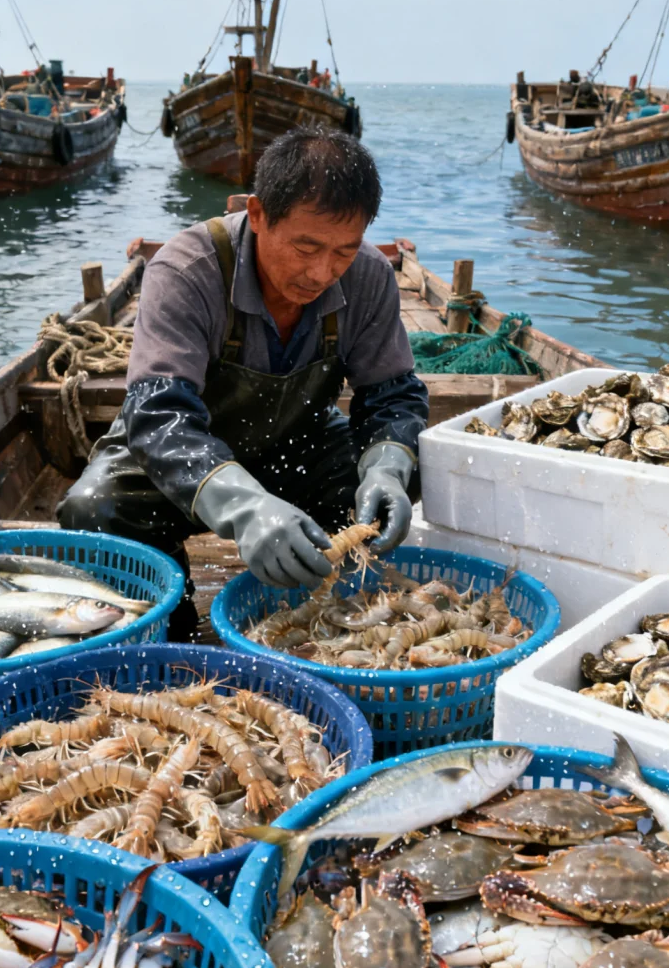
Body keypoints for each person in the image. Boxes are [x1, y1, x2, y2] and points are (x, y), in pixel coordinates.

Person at [57, 127, 429, 637]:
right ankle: (174, 639)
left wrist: (386, 469)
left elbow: (392, 396)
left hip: (296, 445)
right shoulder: (186, 271)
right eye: (305, 246)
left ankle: (331, 620)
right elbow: (158, 414)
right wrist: (246, 505)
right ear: (257, 215)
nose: (322, 272)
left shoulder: (369, 277)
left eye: (343, 251)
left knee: (403, 479)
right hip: (175, 460)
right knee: (93, 508)